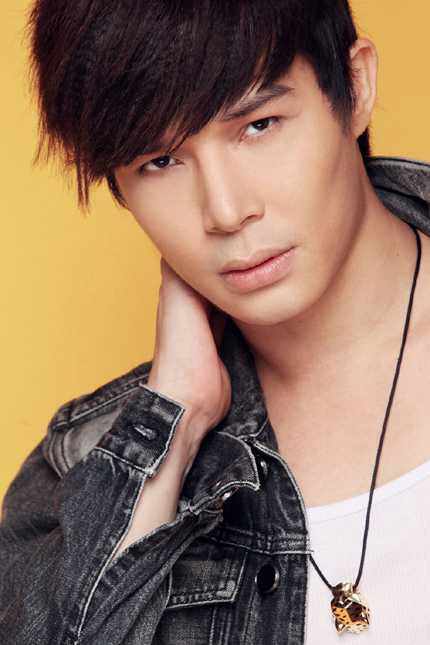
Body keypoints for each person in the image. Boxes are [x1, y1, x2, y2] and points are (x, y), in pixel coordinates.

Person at [1, 0, 429, 642]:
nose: (226, 211)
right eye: (160, 161)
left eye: (259, 125)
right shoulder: (78, 471)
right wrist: (170, 427)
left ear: (356, 87)